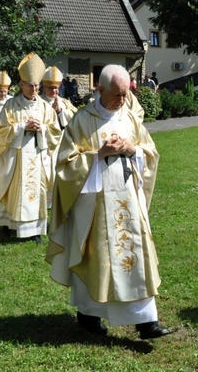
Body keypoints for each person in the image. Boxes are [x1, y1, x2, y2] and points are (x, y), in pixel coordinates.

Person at [46, 64, 172, 341]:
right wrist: (98, 155)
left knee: (136, 255)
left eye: (126, 94)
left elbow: (150, 153)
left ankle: (146, 322)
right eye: (116, 94)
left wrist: (133, 149)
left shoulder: (130, 119)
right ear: (99, 90)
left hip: (128, 201)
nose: (122, 100)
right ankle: (89, 314)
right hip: (95, 207)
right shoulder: (82, 120)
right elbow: (65, 164)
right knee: (97, 259)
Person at [0, 53, 62, 243]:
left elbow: (55, 132)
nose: (34, 88)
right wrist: (21, 127)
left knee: (38, 191)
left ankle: (36, 230)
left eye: (36, 85)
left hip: (37, 156)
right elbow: (0, 130)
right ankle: (8, 224)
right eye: (30, 84)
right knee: (11, 189)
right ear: (21, 85)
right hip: (16, 157)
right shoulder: (11, 105)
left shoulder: (45, 108)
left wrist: (42, 129)